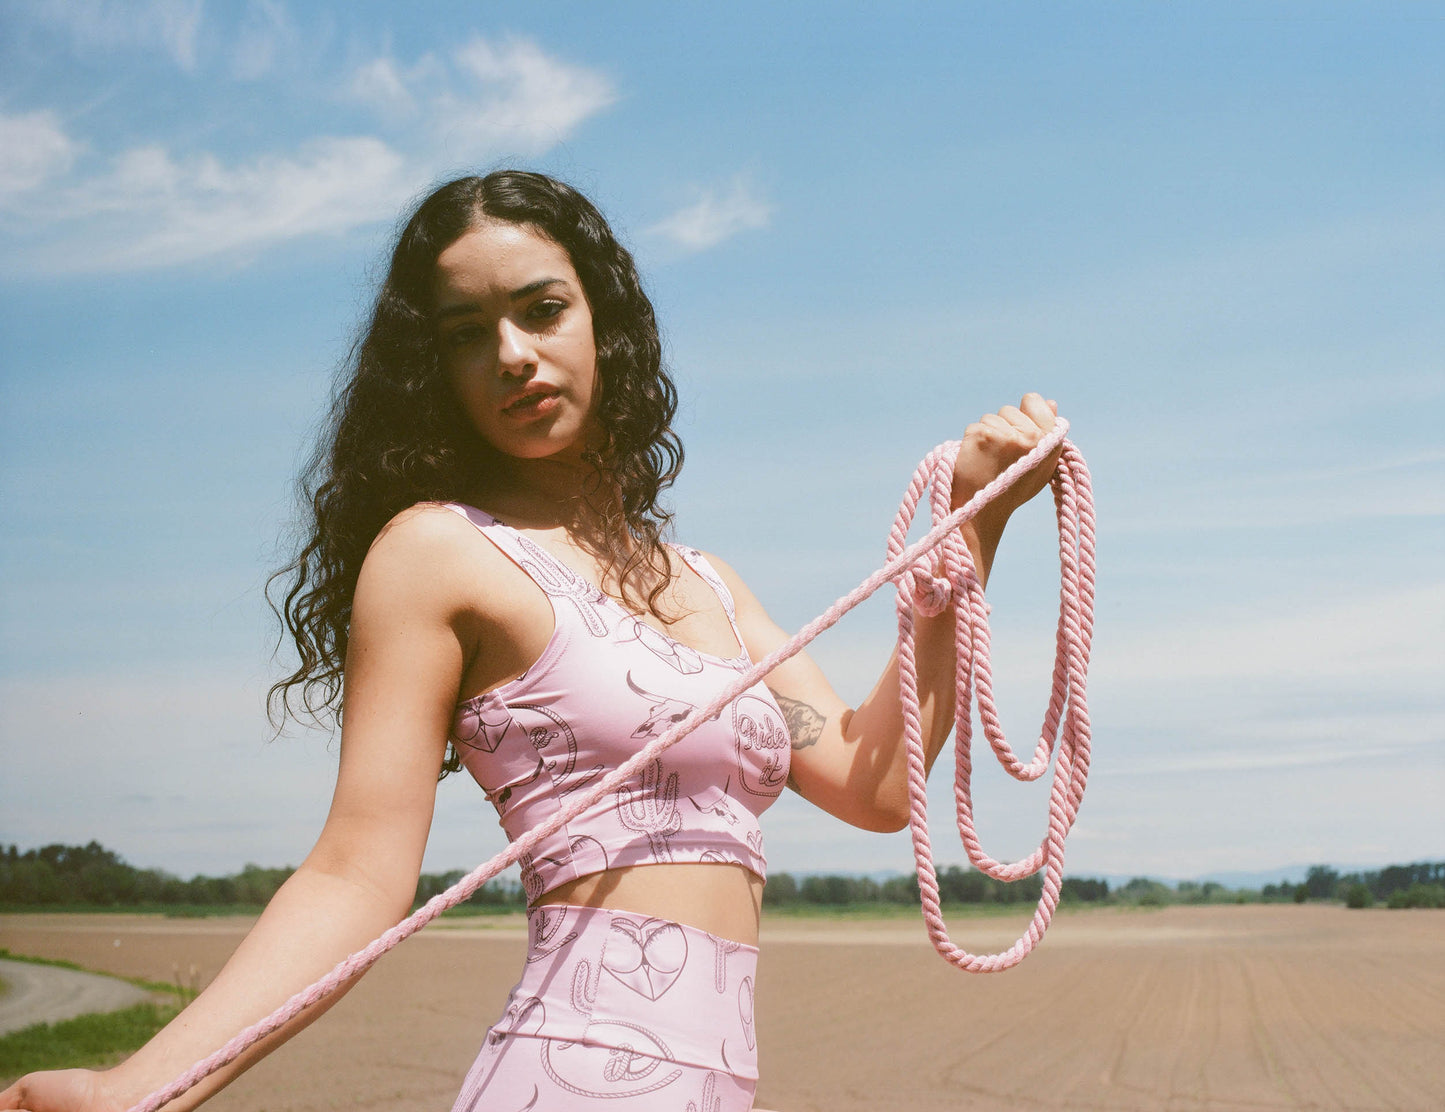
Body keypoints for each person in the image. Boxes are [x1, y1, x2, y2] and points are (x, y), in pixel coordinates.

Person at [0, 170, 1061, 1112]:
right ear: (434, 372)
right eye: (465, 332)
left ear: (603, 322)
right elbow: (354, 872)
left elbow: (876, 783)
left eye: (541, 309)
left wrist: (972, 525)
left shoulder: (711, 587)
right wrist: (137, 1086)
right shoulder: (439, 554)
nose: (510, 354)